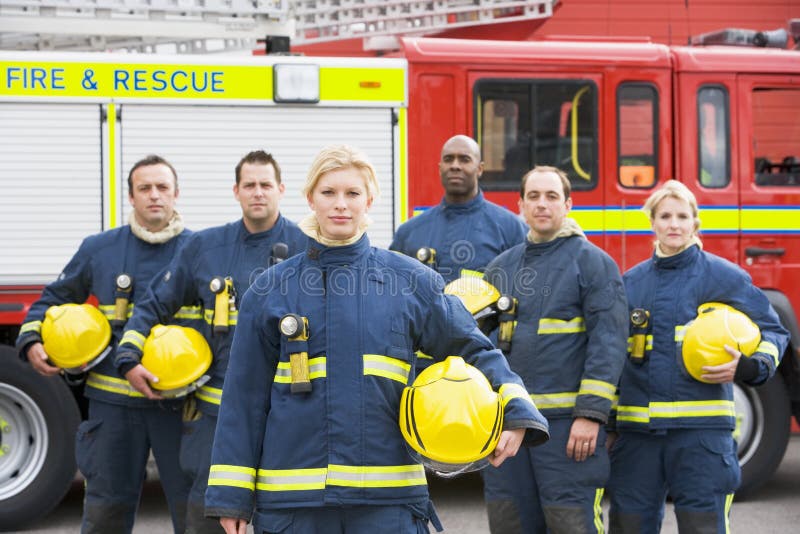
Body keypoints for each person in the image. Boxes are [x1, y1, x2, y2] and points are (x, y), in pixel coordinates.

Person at [204, 145, 549, 534]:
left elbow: (474, 347)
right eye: (328, 192)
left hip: (388, 506)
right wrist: (231, 495)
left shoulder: (411, 282)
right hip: (294, 506)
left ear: (369, 201)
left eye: (352, 193)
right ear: (309, 199)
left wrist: (516, 409)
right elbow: (243, 399)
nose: (341, 205)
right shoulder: (270, 291)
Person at [116, 150, 308, 533]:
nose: (258, 193)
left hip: (290, 411)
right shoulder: (205, 248)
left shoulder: (308, 246)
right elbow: (154, 304)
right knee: (208, 515)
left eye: (265, 185)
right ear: (236, 191)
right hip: (216, 420)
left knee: (290, 514)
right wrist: (128, 356)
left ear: (281, 189)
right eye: (249, 185)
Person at [16, 155, 193, 534]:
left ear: (177, 194)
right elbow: (51, 301)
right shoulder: (100, 249)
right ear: (131, 197)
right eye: (144, 188)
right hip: (114, 410)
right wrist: (31, 338)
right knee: (106, 515)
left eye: (162, 187)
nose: (154, 196)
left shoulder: (202, 251)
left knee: (195, 512)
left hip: (181, 406)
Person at [607, 180, 789, 533]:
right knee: (629, 526)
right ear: (652, 223)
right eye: (665, 216)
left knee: (703, 526)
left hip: (701, 438)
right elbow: (615, 360)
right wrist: (611, 424)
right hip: (637, 439)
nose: (674, 224)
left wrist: (752, 367)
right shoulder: (630, 284)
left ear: (695, 223)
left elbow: (775, 331)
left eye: (682, 216)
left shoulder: (724, 277)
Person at [481, 165, 629, 533]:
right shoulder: (501, 268)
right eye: (533, 196)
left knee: (571, 523)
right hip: (509, 426)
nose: (541, 204)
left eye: (551, 196)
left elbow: (608, 344)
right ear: (520, 204)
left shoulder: (593, 264)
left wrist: (592, 415)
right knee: (509, 522)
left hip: (567, 430)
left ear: (568, 204)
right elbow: (477, 346)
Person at [390, 134, 527, 283]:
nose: (455, 166)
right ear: (440, 168)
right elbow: (392, 287)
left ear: (480, 169)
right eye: (448, 159)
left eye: (464, 159)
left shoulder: (512, 229)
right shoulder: (409, 232)